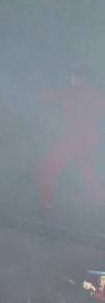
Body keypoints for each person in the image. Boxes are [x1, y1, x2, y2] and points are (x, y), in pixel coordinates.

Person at [36, 68, 105, 210]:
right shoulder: (98, 96)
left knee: (45, 169)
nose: (70, 79)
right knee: (87, 171)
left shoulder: (68, 92)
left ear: (79, 78)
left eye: (72, 77)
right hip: (90, 140)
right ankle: (101, 202)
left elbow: (42, 96)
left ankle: (46, 204)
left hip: (72, 139)